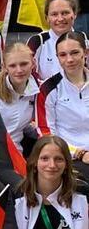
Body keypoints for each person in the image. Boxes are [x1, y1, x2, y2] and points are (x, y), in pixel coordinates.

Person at [0, 43, 38, 186]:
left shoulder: (38, 91)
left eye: (24, 64)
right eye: (12, 66)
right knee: (25, 191)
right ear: (4, 67)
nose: (19, 70)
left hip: (19, 156)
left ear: (33, 63)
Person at [36, 32, 89, 183]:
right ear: (57, 57)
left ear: (85, 53)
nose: (69, 60)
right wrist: (79, 153)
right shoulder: (48, 88)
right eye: (63, 55)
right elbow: (46, 133)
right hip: (67, 157)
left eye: (75, 53)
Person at [28, 0, 84, 81]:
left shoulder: (84, 40)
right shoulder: (37, 41)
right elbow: (28, 77)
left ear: (74, 14)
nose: (60, 19)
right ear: (47, 18)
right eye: (54, 14)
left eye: (65, 13)